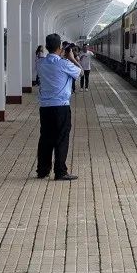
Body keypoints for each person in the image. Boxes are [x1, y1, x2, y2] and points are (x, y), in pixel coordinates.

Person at [35, 33, 82, 181]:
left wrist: (62, 54)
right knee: (61, 138)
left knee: (45, 138)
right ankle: (60, 171)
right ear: (60, 47)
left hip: (45, 107)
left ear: (47, 46)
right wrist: (71, 58)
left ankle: (42, 170)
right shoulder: (64, 64)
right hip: (61, 107)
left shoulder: (40, 63)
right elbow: (79, 72)